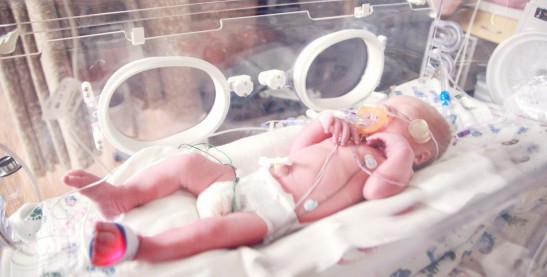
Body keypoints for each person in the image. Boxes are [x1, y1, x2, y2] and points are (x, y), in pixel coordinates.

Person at [63, 95, 452, 266]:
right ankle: (124, 195)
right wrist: (323, 124)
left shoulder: (385, 164)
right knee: (188, 163)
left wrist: (397, 153)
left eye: (397, 112)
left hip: (273, 212)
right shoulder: (351, 136)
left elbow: (377, 192)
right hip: (246, 181)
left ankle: (144, 247)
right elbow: (298, 149)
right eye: (382, 106)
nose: (381, 112)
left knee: (215, 232)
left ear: (419, 153)